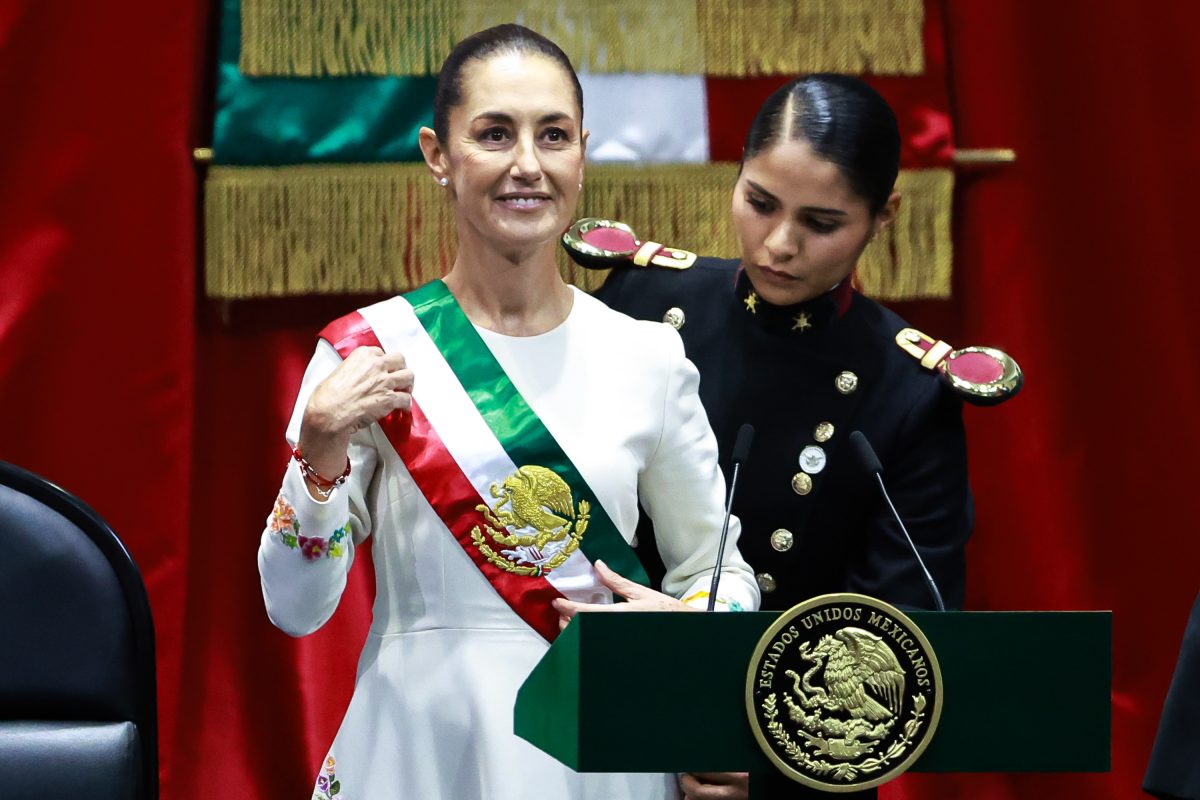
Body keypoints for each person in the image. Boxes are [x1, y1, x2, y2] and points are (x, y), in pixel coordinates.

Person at [256, 24, 759, 800]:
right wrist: (318, 453)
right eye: (494, 134)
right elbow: (294, 609)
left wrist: (673, 628)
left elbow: (719, 575)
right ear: (437, 156)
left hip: (600, 749)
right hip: (420, 750)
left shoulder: (649, 359)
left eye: (552, 135)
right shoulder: (368, 356)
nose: (528, 164)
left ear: (582, 155)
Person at [593, 75, 974, 798]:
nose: (778, 244)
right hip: (602, 713)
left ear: (883, 214)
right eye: (759, 203)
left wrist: (773, 768)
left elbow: (900, 635)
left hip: (759, 750)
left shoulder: (909, 391)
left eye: (822, 223)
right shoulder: (640, 303)